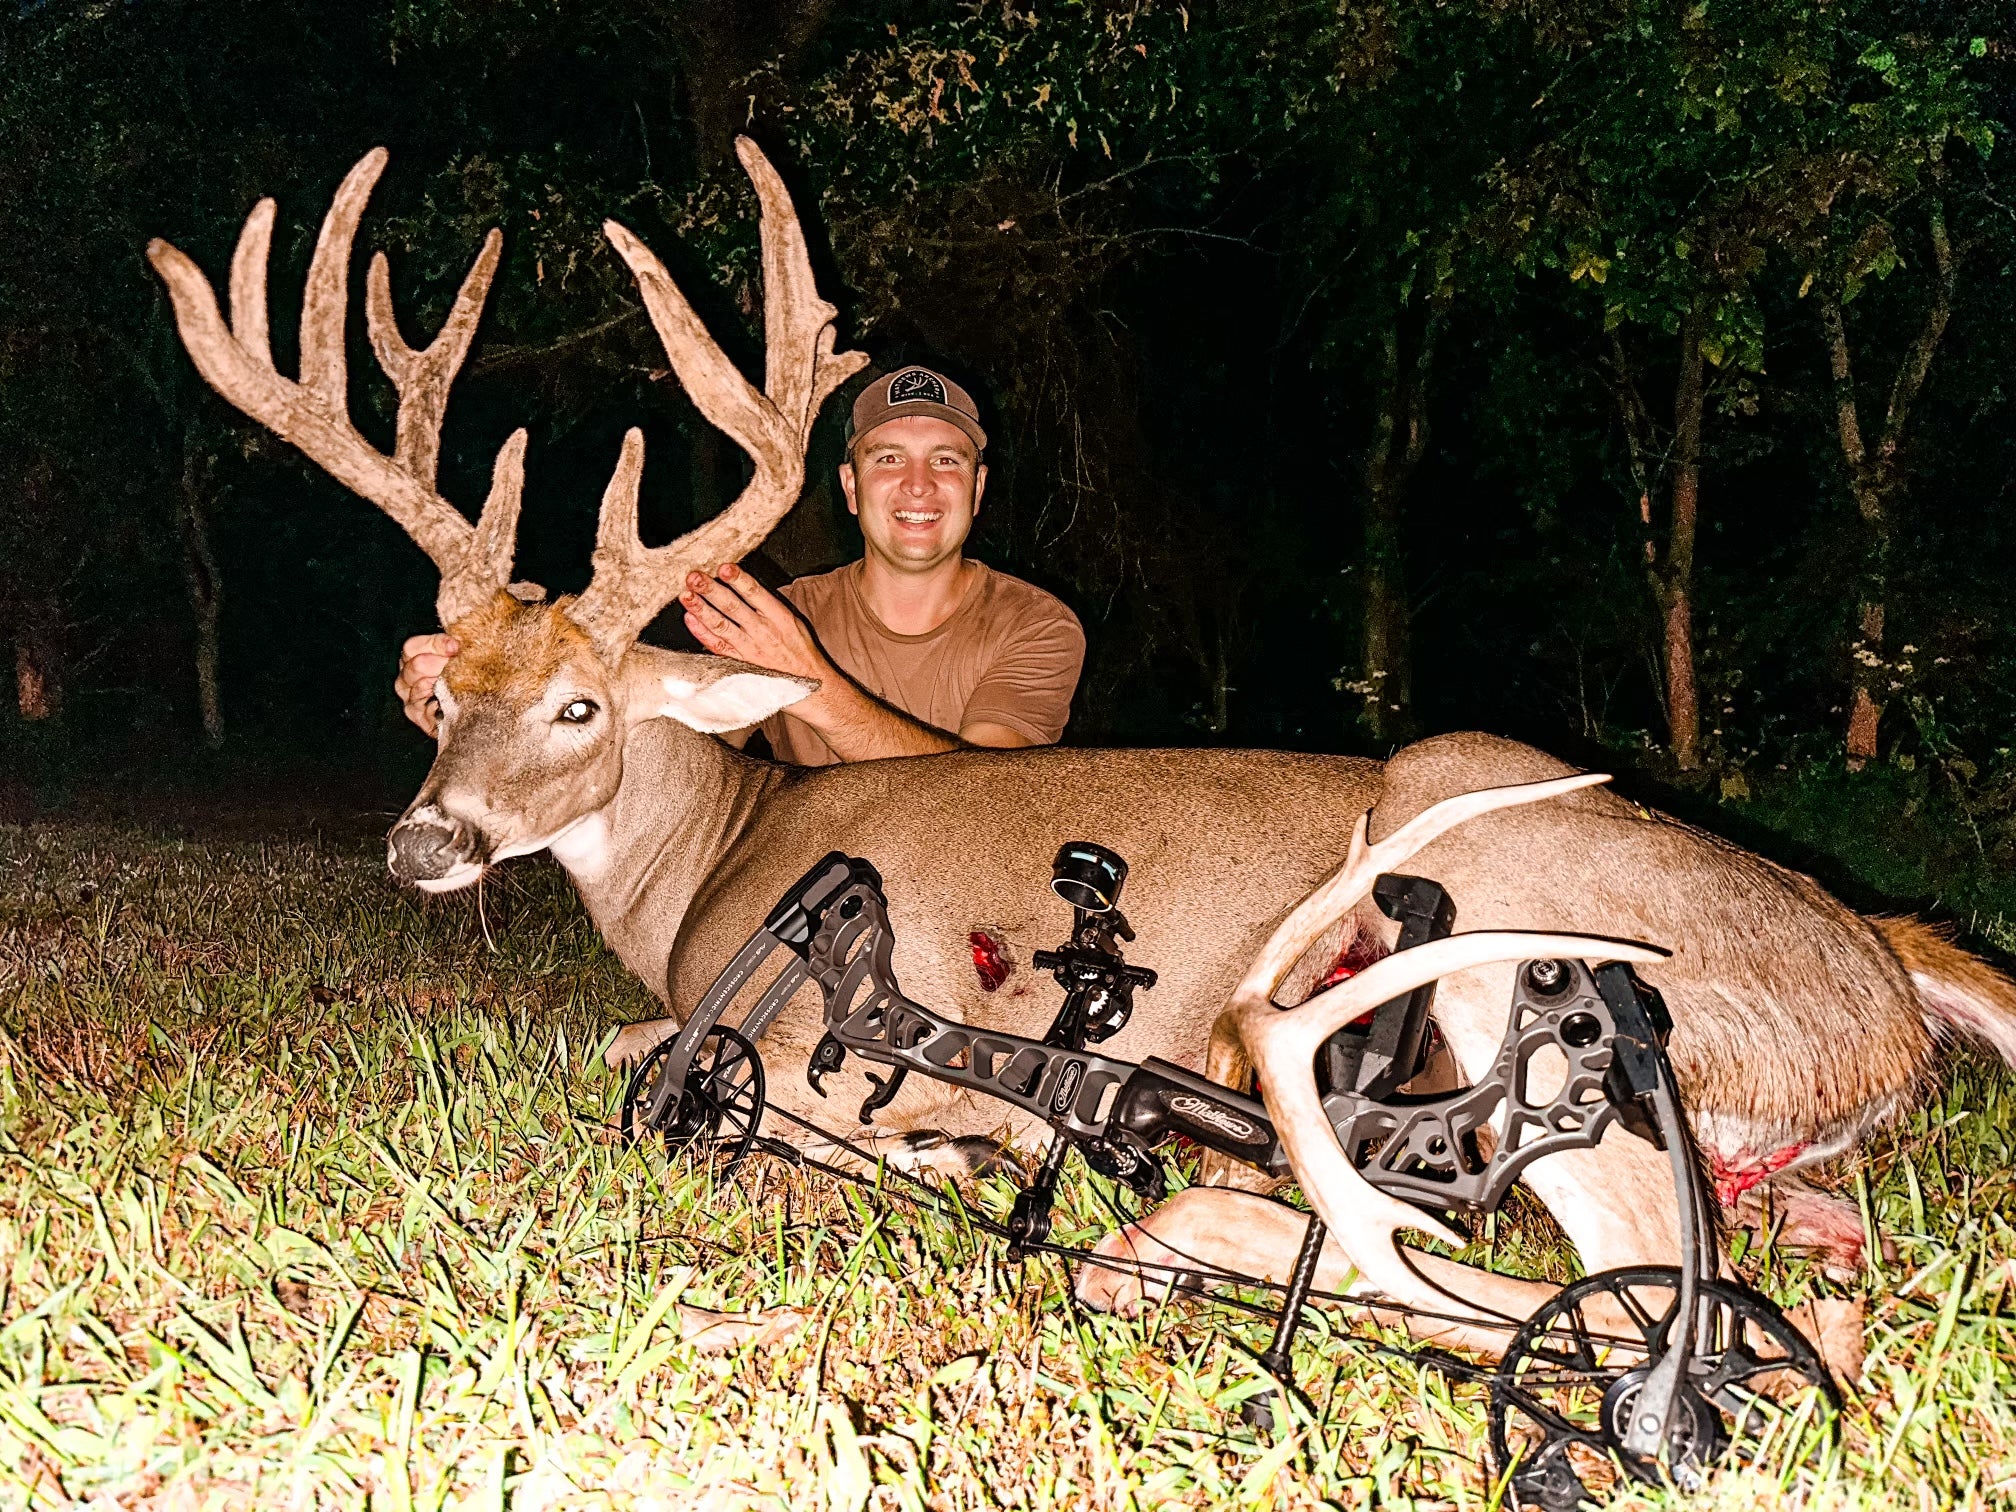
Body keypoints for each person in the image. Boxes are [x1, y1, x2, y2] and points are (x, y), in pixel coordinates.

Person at [396, 366, 1085, 764]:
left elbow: (989, 798)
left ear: (978, 487)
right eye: (886, 460)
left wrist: (810, 684)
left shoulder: (1036, 626)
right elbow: (652, 760)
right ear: (849, 487)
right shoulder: (781, 620)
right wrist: (474, 711)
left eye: (946, 461)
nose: (917, 485)